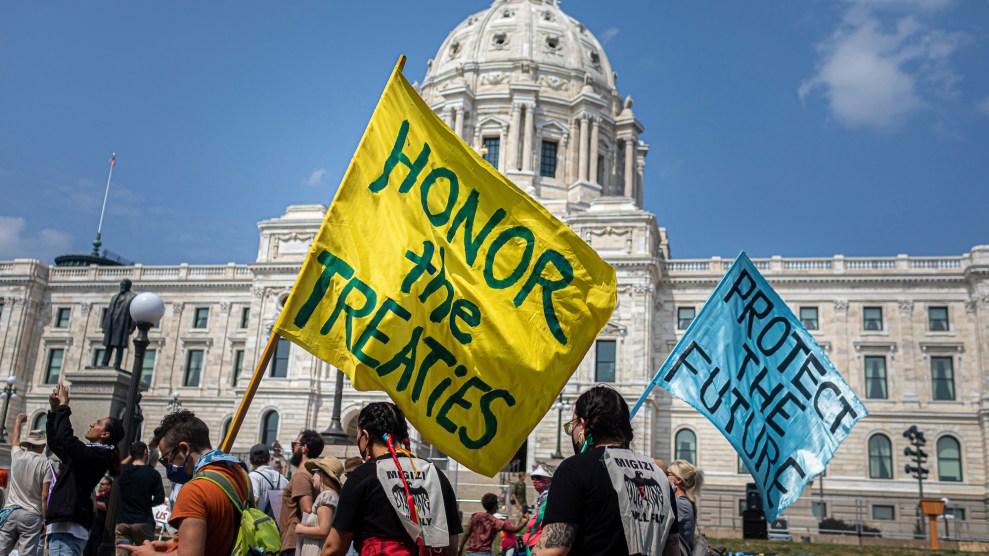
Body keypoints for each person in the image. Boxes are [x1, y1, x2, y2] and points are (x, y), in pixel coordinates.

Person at [536, 386, 679, 556]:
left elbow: (553, 550)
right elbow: (672, 550)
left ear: (583, 425)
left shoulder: (573, 469)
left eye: (572, 425)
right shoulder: (659, 475)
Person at [321, 402, 462, 555]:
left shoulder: (363, 476)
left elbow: (334, 547)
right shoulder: (435, 474)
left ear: (366, 436)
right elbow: (451, 547)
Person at [120, 409, 249, 555]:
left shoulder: (194, 491)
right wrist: (174, 543)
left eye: (167, 460)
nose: (168, 467)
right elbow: (218, 532)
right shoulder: (239, 474)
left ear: (183, 448)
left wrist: (149, 554)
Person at [46, 385, 125, 556]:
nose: (92, 424)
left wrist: (64, 405)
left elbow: (68, 440)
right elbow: (56, 443)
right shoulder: (89, 454)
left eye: (98, 423)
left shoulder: (98, 454)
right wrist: (53, 411)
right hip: (65, 524)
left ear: (105, 435)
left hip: (69, 526)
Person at [0, 413, 51, 556]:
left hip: (11, 510)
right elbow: (44, 495)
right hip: (32, 514)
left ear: (28, 444)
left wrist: (18, 421)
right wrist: (46, 519)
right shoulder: (46, 464)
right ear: (43, 445)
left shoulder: (17, 456)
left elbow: (14, 440)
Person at [114, 442, 166, 554]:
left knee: (122, 553)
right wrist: (147, 503)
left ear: (131, 454)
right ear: (145, 453)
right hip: (143, 521)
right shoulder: (153, 474)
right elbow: (160, 499)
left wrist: (131, 453)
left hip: (123, 521)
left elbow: (119, 465)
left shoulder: (123, 471)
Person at [280, 429, 324, 556]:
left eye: (295, 444)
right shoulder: (314, 474)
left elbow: (307, 509)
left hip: (294, 542)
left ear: (304, 448)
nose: (293, 448)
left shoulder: (301, 475)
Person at [296, 456, 343, 556]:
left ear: (322, 474)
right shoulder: (332, 495)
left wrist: (301, 529)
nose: (312, 477)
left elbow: (323, 530)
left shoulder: (326, 496)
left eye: (314, 472)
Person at [459, 493, 528, 556]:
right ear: (495, 506)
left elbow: (466, 534)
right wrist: (525, 522)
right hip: (485, 553)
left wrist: (460, 547)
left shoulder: (475, 516)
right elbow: (514, 530)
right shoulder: (495, 522)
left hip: (470, 553)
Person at [666, 460, 703, 555]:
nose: (665, 477)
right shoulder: (682, 502)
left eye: (667, 474)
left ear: (678, 480)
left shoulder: (680, 504)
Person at [101, 279, 138, 369]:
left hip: (122, 324)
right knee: (108, 345)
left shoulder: (133, 297)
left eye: (124, 285)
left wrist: (132, 327)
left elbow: (135, 313)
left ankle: (117, 364)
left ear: (128, 286)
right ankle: (104, 363)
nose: (122, 286)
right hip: (111, 323)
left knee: (119, 346)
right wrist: (105, 326)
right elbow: (109, 311)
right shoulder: (114, 297)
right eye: (121, 285)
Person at [249, 443, 288, 520]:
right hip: (278, 526)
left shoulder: (253, 476)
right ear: (269, 457)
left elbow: (255, 499)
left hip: (259, 526)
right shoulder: (282, 478)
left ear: (251, 460)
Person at [520, 465, 553, 552]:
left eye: (538, 477)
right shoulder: (543, 497)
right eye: (533, 478)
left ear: (549, 480)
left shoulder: (549, 497)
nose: (534, 480)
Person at [83, 477, 112, 556]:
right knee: (88, 550)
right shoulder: (100, 495)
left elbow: (105, 506)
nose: (101, 485)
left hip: (100, 529)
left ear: (109, 486)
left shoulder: (108, 495)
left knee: (94, 550)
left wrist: (93, 501)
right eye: (100, 484)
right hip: (93, 527)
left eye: (103, 484)